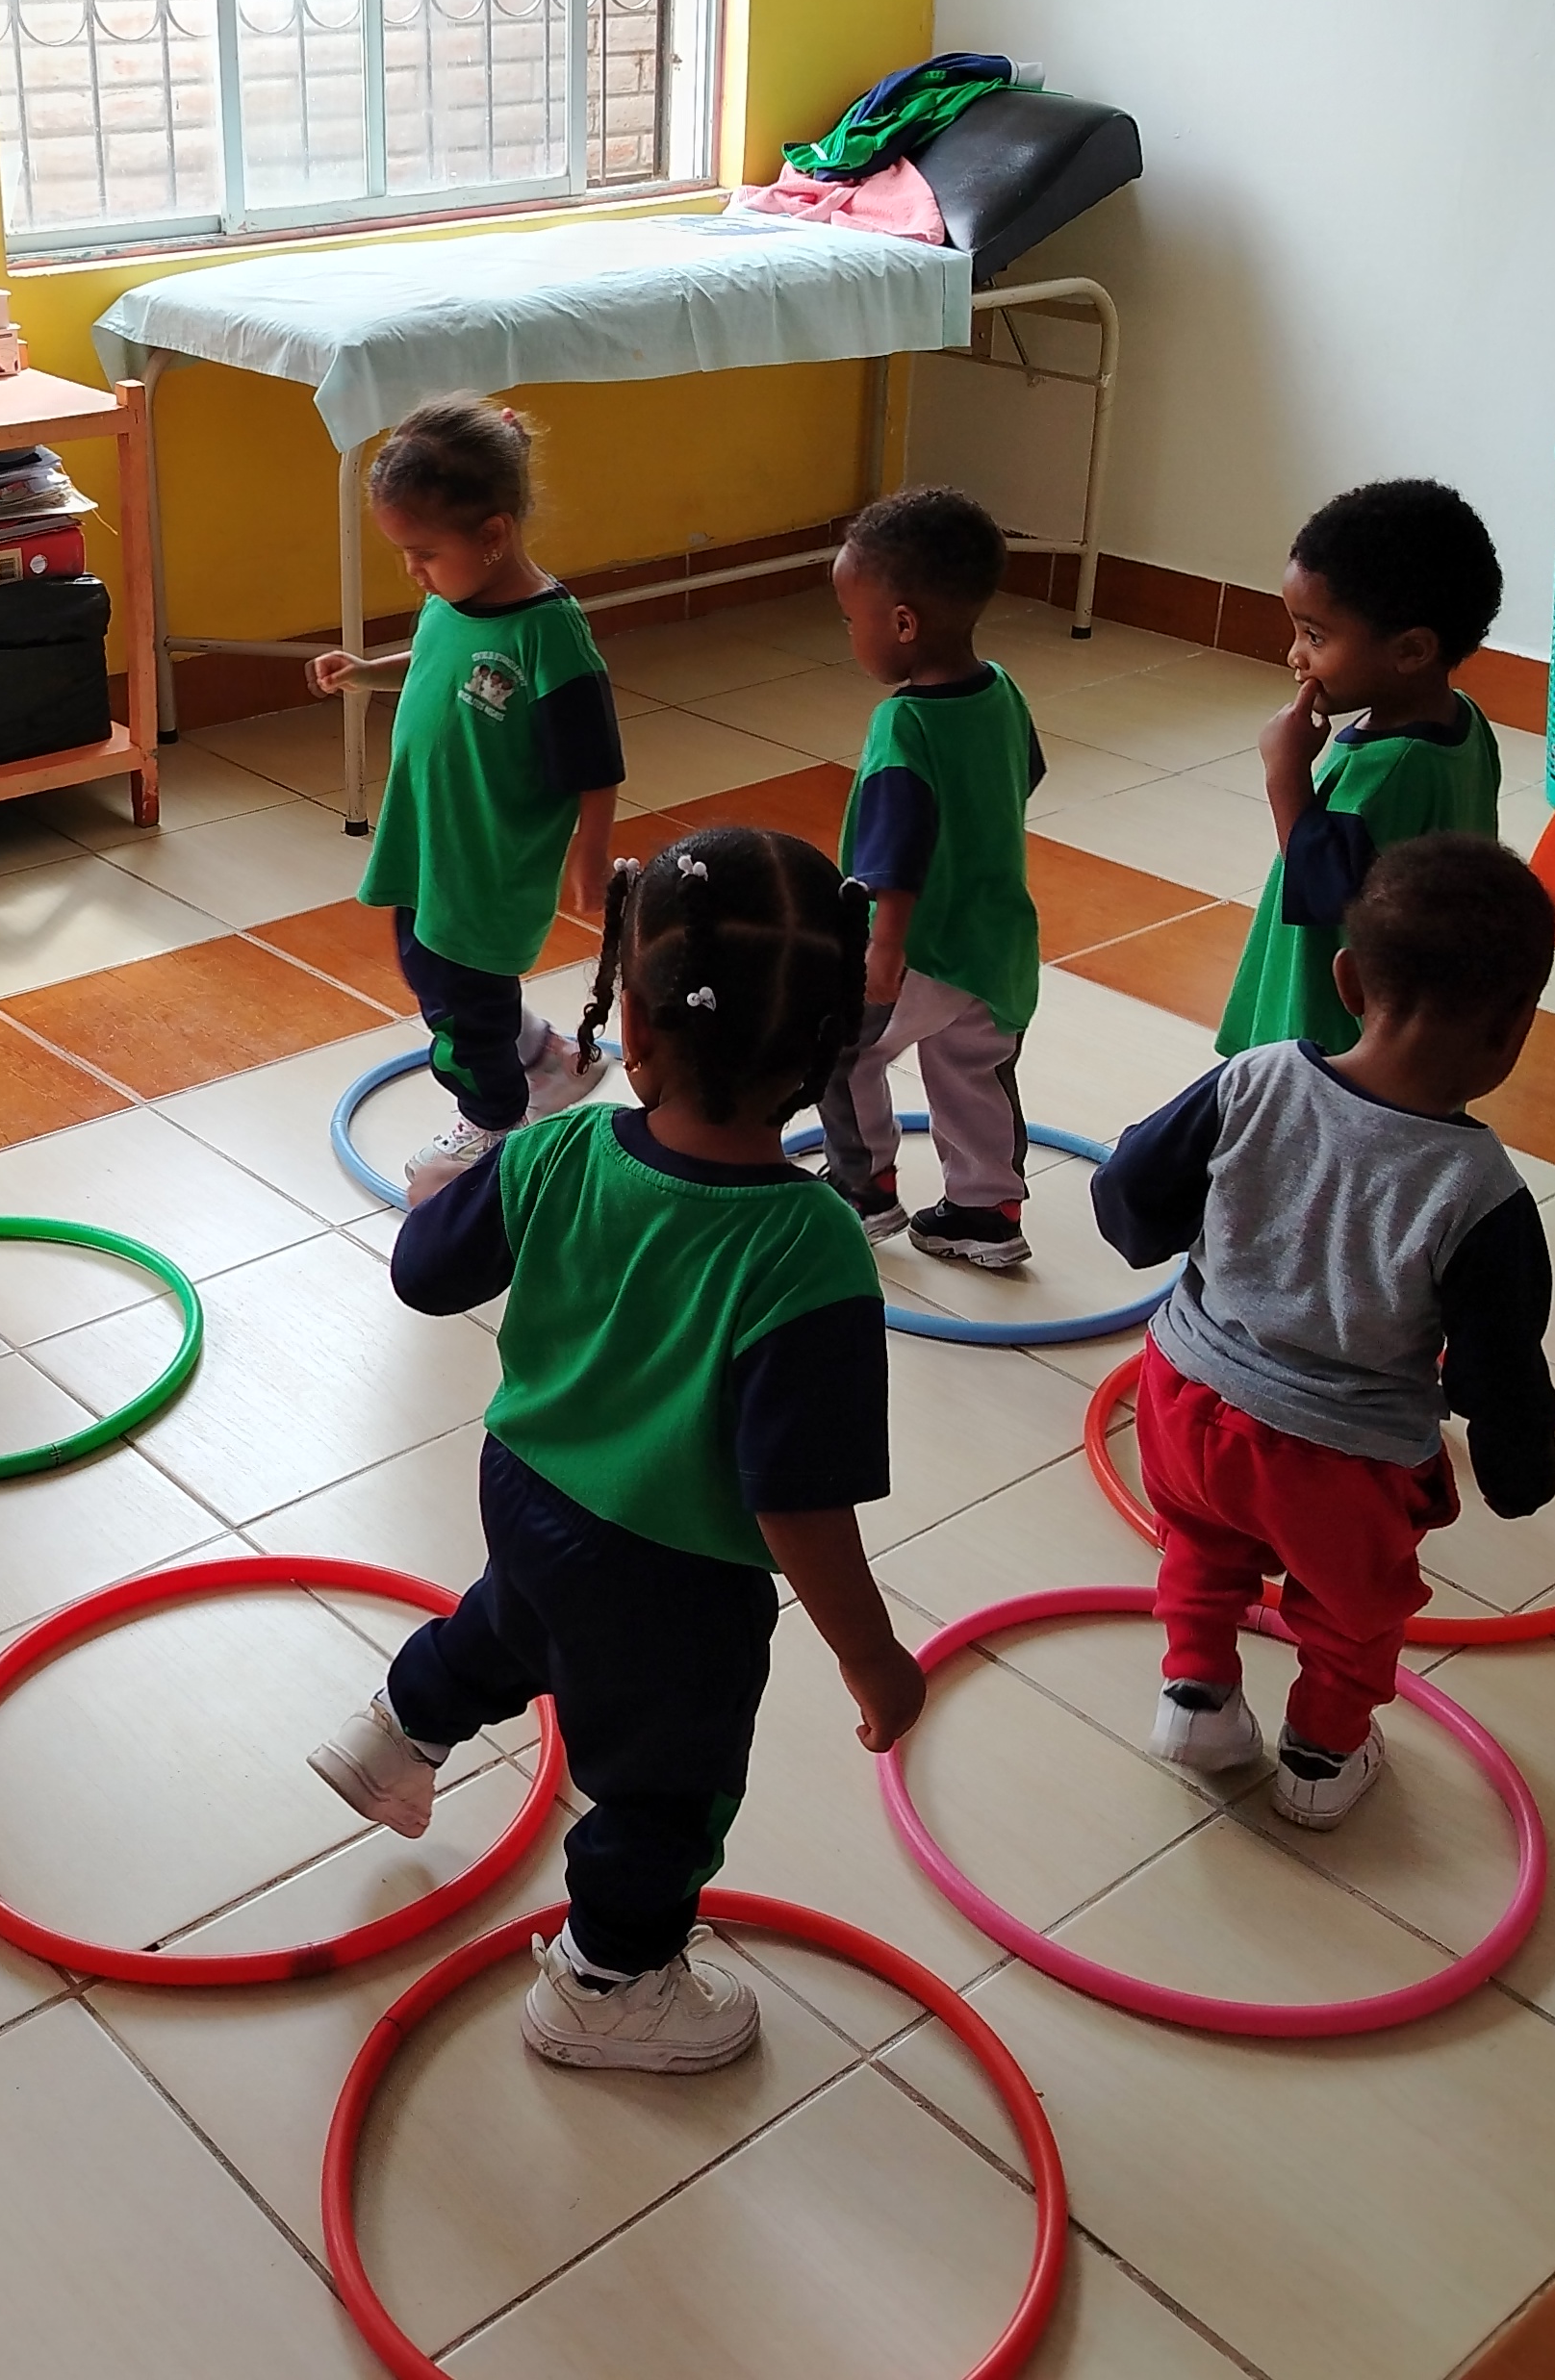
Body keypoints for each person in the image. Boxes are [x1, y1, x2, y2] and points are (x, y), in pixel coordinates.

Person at [307, 825, 924, 2073]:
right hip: (675, 1578)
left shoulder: (557, 1148)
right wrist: (874, 1660)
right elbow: (798, 1500)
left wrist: (442, 1201)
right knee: (665, 1781)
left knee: (516, 1620)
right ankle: (607, 1983)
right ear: (827, 1052)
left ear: (629, 1025)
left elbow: (424, 1276)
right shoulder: (810, 1247)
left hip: (525, 1489)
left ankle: (396, 1729)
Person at [1089, 835, 1555, 1828]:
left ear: (1348, 980)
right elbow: (1499, 1367)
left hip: (1182, 1399)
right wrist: (1518, 1467)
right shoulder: (1482, 1193)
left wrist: (1160, 1235)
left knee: (1200, 1545)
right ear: (1517, 1028)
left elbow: (1127, 1190)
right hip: (1337, 1466)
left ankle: (1196, 1703)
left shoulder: (1251, 1079)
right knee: (1353, 1612)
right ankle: (1320, 1756)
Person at [309, 398, 625, 1203]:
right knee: (426, 960)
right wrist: (367, 671)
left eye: (423, 553)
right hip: (426, 835)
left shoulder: (549, 635)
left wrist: (590, 848)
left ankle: (493, 1120)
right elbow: (438, 656)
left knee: (457, 996)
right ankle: (543, 1057)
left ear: (493, 535)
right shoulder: (453, 598)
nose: (412, 572)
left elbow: (596, 759)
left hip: (488, 854)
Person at [813, 485, 1046, 1269]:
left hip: (920, 948)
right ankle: (986, 1212)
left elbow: (895, 854)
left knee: (844, 1052)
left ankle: (863, 1188)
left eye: (852, 619)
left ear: (903, 624)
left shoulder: (903, 723)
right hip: (998, 943)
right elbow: (1024, 776)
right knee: (973, 1068)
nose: (850, 635)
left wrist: (883, 948)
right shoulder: (1003, 689)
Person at [1220, 478, 1507, 1057]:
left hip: (1336, 1033)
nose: (1295, 655)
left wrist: (1285, 771)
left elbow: (1325, 892)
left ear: (1411, 651)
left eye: (1315, 636)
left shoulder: (1386, 768)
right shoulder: (1466, 723)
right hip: (1417, 1017)